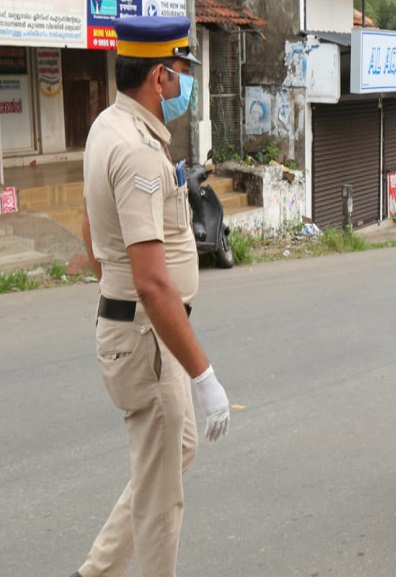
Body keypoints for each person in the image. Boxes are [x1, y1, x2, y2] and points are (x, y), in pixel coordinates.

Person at [73, 15, 231, 577]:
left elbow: (92, 227)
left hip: (141, 326)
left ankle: (97, 571)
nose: (186, 82)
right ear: (160, 77)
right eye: (182, 71)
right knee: (162, 502)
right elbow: (152, 281)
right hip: (148, 336)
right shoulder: (137, 150)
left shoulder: (108, 126)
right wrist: (204, 376)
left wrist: (114, 286)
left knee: (174, 450)